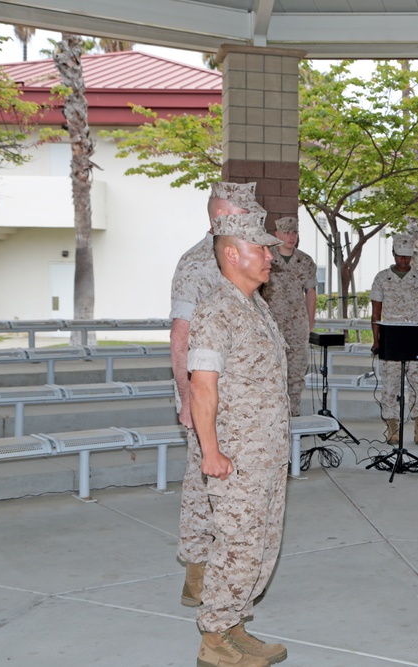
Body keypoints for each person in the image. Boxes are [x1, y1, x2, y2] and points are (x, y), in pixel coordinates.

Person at [188, 210, 290, 667]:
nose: (270, 256)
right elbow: (202, 385)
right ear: (232, 253)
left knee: (262, 544)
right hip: (236, 457)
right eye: (261, 248)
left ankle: (235, 626)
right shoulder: (216, 310)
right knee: (237, 545)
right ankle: (214, 642)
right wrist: (211, 452)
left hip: (267, 454)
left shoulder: (256, 305)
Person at [170, 182, 262, 610]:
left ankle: (229, 573)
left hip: (242, 402)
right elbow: (181, 336)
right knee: (201, 486)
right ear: (219, 216)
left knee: (232, 492)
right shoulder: (196, 264)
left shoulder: (246, 254)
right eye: (242, 212)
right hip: (208, 397)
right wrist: (187, 400)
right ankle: (197, 575)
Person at [370, 234, 418, 446]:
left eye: (407, 257)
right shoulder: (382, 278)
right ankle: (392, 427)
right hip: (391, 337)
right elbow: (375, 313)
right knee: (390, 385)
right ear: (394, 254)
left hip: (415, 336)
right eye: (400, 256)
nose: (404, 261)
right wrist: (376, 340)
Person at [260, 216, 317, 417]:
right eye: (286, 232)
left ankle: (293, 414)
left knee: (296, 373)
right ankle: (273, 415)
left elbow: (310, 293)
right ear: (277, 235)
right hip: (271, 326)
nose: (291, 237)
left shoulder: (305, 261)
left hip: (297, 326)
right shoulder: (266, 257)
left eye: (294, 232)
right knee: (271, 371)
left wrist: (309, 325)